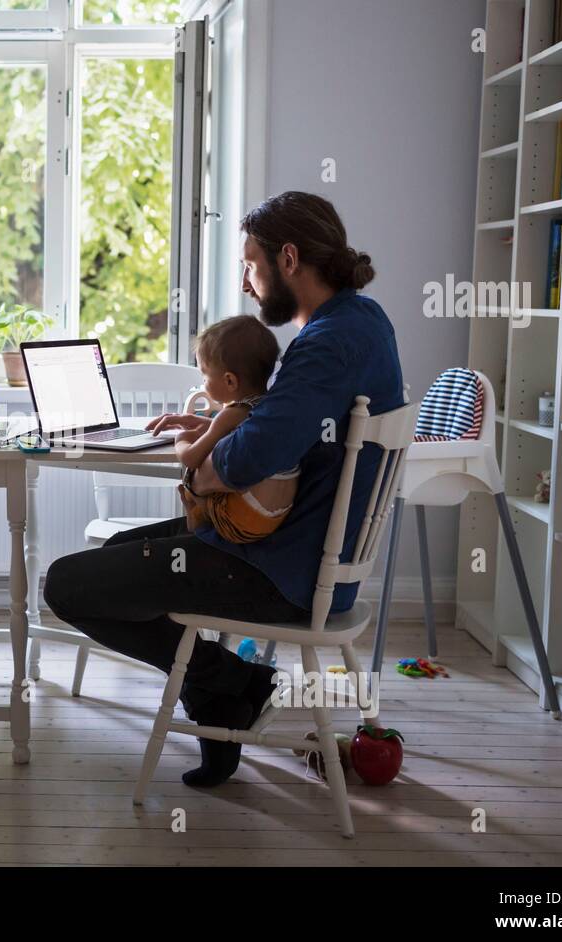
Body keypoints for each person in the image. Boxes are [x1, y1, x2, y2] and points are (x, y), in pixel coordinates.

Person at [43, 191, 405, 788]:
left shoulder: (325, 346)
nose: (246, 283)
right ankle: (226, 689)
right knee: (112, 559)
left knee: (66, 584)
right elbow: (277, 428)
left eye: (250, 265)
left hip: (279, 576)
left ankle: (224, 688)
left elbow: (244, 463)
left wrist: (206, 461)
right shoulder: (362, 322)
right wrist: (217, 423)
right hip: (302, 560)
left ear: (288, 259)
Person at [174, 314, 299, 543]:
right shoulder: (269, 407)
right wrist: (209, 427)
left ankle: (195, 511)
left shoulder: (231, 413)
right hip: (275, 517)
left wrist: (181, 440)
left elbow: (191, 458)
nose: (203, 382)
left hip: (239, 520)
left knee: (190, 476)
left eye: (204, 374)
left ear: (230, 381)